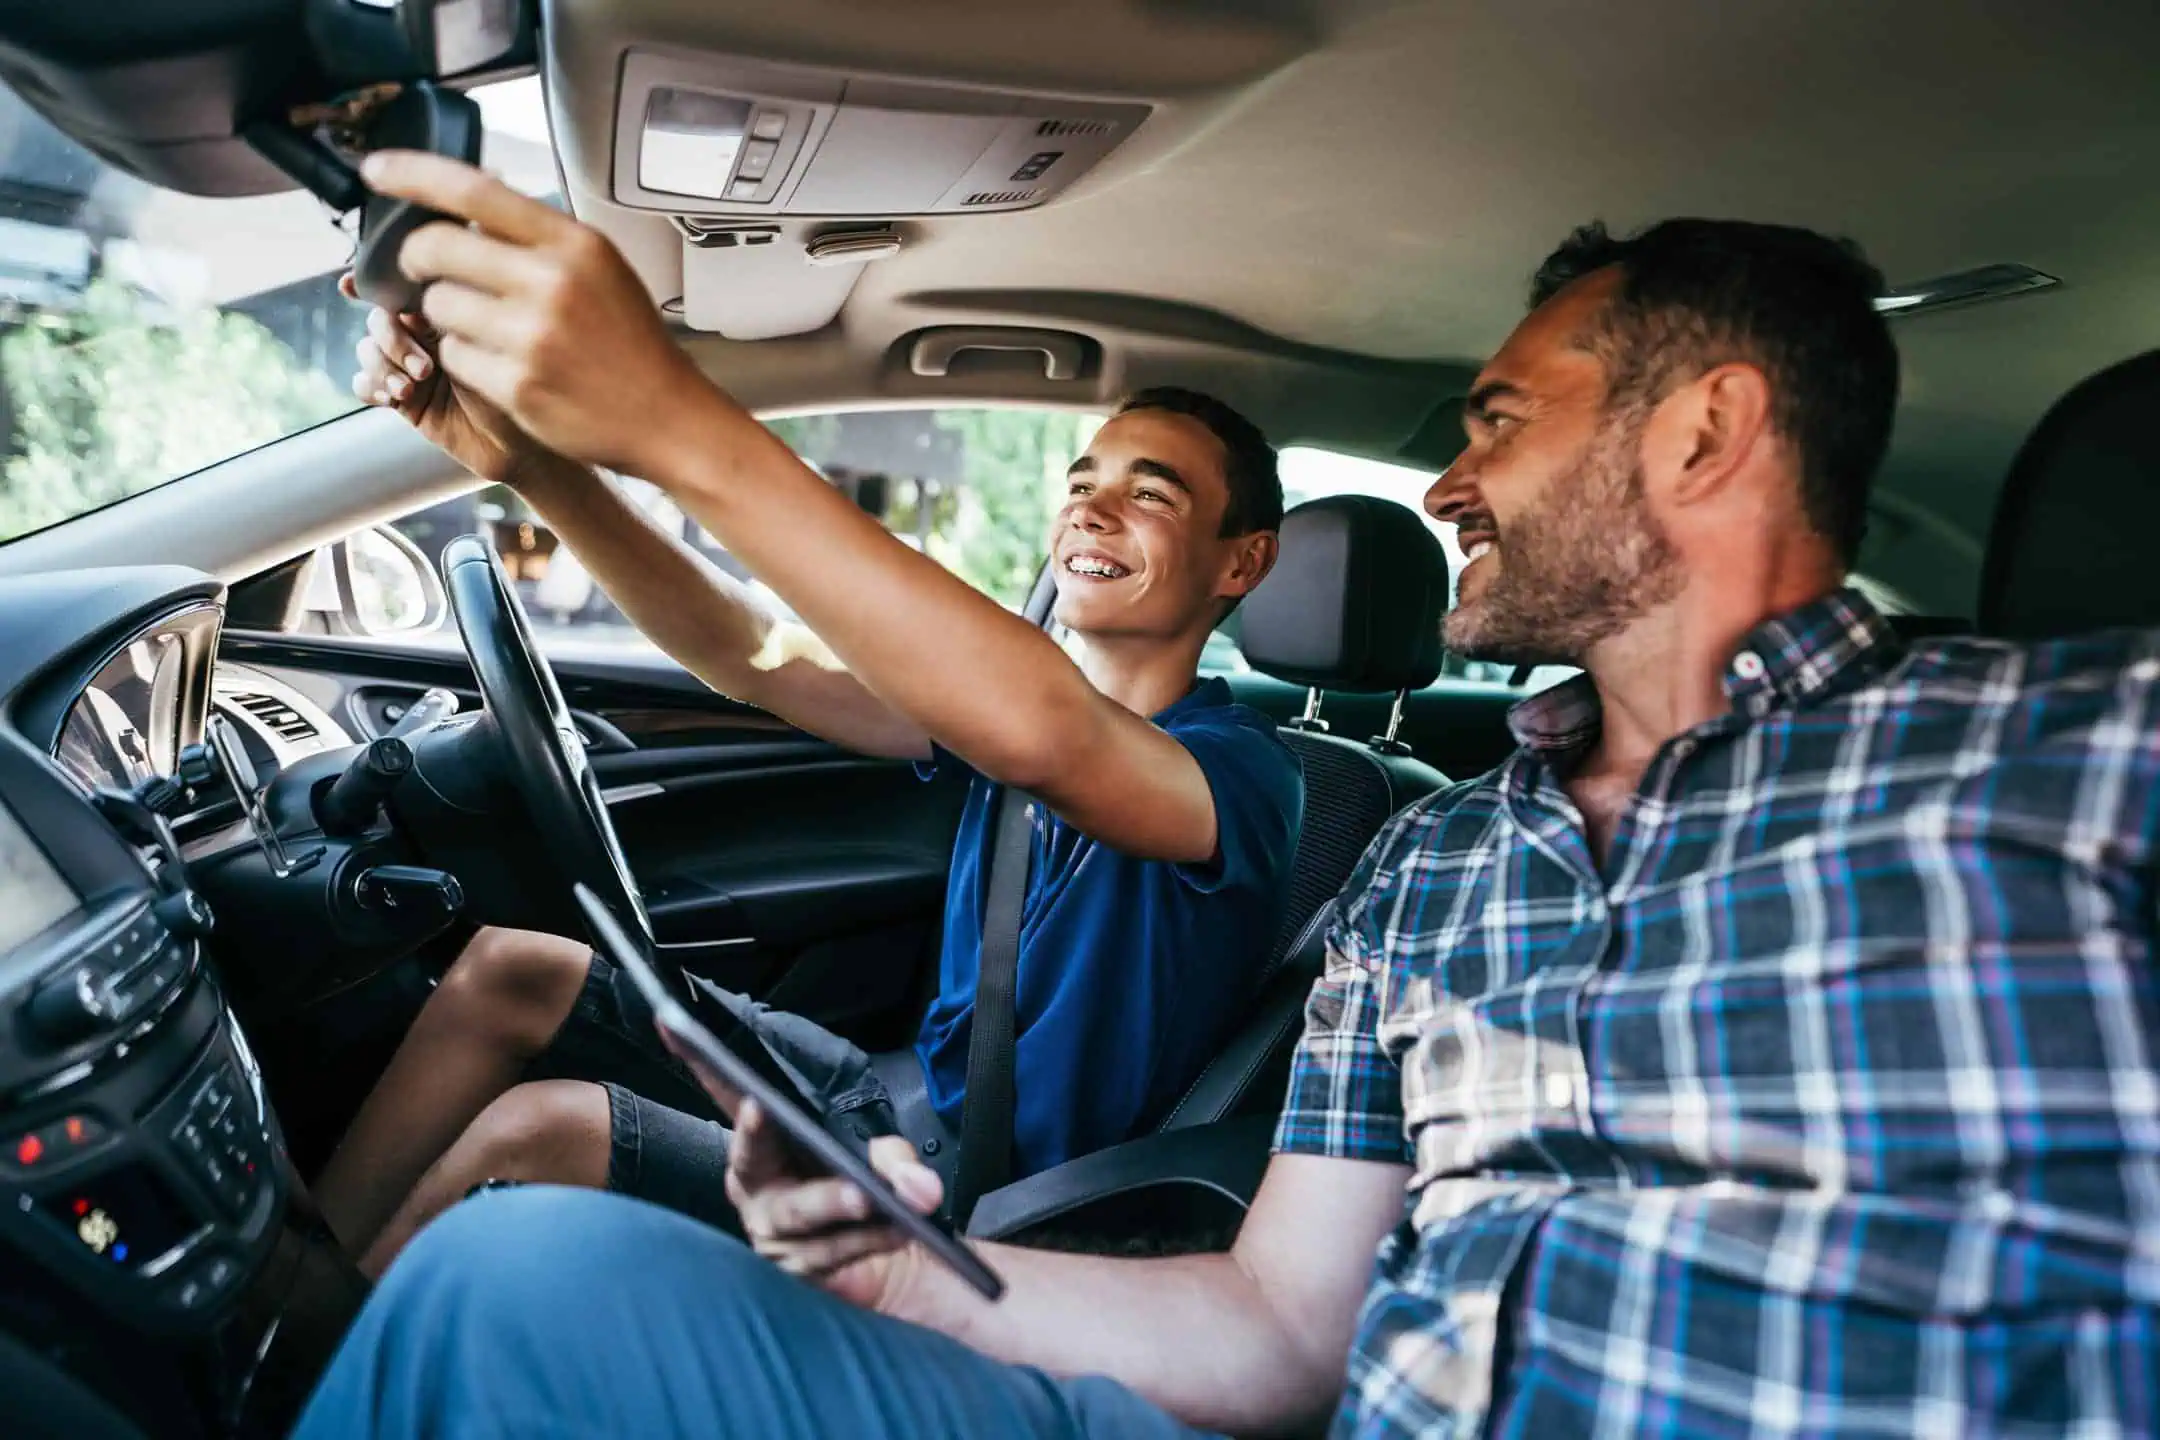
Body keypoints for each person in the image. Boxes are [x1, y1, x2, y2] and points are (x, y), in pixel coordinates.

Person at [296, 180, 2160, 1438]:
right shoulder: (1448, 865)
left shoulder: (2076, 752)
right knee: (516, 1278)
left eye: (1500, 418)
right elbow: (1280, 1329)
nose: (1446, 484)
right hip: (975, 1194)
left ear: (1699, 435)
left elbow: (1048, 734)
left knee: (533, 1157)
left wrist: (673, 416)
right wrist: (892, 1274)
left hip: (1050, 1175)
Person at [308, 154, 1304, 1276]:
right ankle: (282, 1299)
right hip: (899, 1098)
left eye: (1151, 493)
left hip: (1001, 1199)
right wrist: (536, 468)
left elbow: (1057, 736)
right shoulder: (993, 716)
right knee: (510, 967)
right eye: (1083, 479)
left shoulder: (1245, 777)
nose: (1093, 505)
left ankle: (301, 1382)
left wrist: (669, 417)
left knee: (549, 1135)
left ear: (1242, 562)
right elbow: (752, 653)